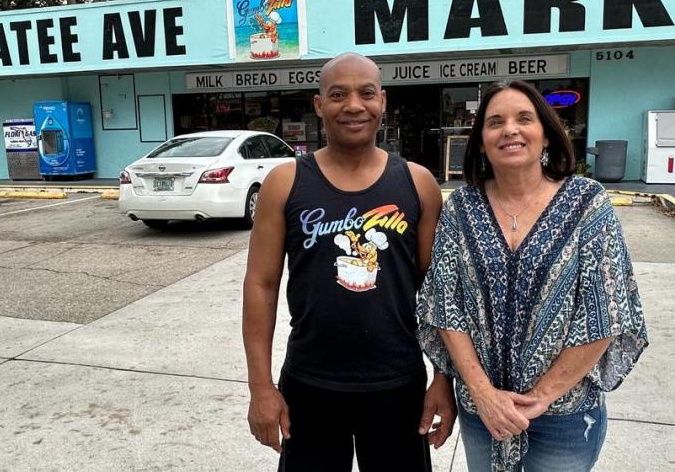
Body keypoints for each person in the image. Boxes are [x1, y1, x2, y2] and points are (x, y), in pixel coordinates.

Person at [416, 80, 648, 472]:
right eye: (495, 122)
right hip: (481, 412)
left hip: (564, 415)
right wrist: (483, 393)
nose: (510, 129)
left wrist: (542, 396)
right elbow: (445, 304)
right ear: (481, 141)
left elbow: (606, 311)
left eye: (524, 118)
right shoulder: (461, 209)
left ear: (545, 133)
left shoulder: (586, 203)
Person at [243, 52, 456, 471]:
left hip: (399, 385)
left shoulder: (418, 183)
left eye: (366, 93)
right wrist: (260, 386)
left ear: (384, 102)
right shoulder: (285, 182)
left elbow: (437, 292)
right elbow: (261, 285)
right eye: (338, 94)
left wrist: (443, 378)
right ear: (319, 104)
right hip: (310, 384)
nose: (354, 105)